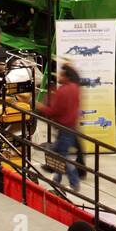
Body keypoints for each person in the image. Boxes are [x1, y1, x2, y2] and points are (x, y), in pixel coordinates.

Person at [39, 64, 83, 192]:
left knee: (62, 157)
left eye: (61, 74)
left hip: (64, 128)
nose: (58, 76)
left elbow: (54, 111)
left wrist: (41, 107)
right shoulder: (75, 88)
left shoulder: (62, 91)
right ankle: (56, 180)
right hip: (71, 127)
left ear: (66, 77)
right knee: (57, 153)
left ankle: (74, 184)